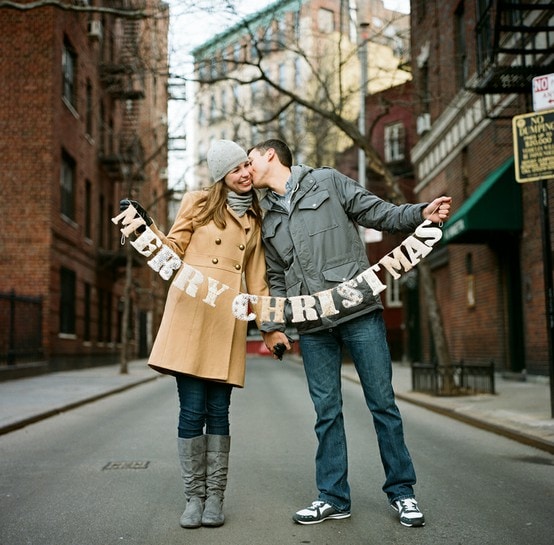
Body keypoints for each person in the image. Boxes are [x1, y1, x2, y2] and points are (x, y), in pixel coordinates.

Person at [248, 139, 451, 528]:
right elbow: (275, 276)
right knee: (326, 413)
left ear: (270, 154)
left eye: (250, 158)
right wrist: (275, 326)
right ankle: (333, 497)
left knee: (382, 404)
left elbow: (379, 213)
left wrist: (421, 212)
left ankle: (402, 493)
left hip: (358, 312)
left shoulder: (326, 181)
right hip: (312, 326)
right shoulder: (267, 216)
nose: (247, 167)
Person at [120, 140, 286, 530]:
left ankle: (216, 499)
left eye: (246, 165)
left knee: (220, 412)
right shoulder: (196, 203)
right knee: (192, 410)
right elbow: (173, 249)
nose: (245, 173)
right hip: (190, 313)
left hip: (225, 321)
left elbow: (258, 281)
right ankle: (193, 498)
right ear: (221, 177)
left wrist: (271, 328)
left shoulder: (255, 221)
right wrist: (144, 228)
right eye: (235, 170)